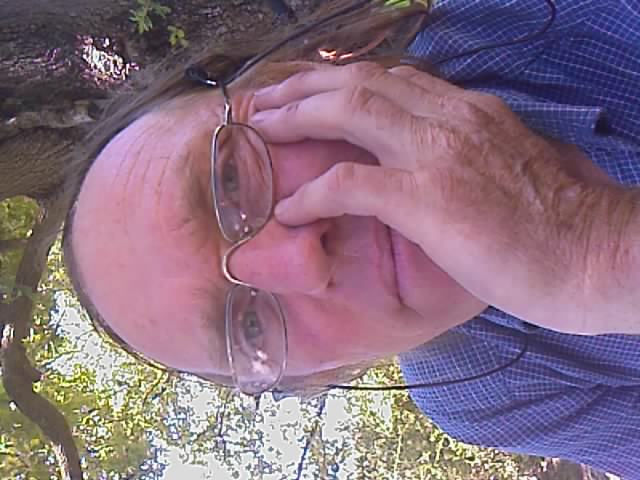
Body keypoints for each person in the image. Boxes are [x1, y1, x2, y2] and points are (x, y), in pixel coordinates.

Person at [62, 0, 640, 477]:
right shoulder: (495, 396)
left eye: (230, 180)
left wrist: (584, 236)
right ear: (326, 373)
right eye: (251, 327)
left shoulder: (532, 12)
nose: (302, 261)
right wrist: (591, 254)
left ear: (283, 77)